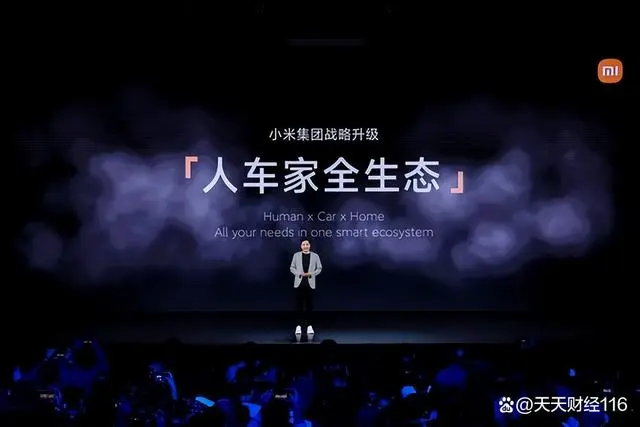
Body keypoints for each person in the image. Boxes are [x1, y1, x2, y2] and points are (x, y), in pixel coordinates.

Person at [289, 240, 323, 336]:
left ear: (310, 246)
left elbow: (319, 268)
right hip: (299, 284)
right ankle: (298, 326)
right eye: (303, 244)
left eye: (307, 244)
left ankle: (309, 326)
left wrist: (311, 273)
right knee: (299, 306)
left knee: (309, 307)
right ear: (301, 246)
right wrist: (299, 273)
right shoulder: (296, 255)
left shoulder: (315, 256)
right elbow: (292, 268)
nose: (305, 246)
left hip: (310, 284)